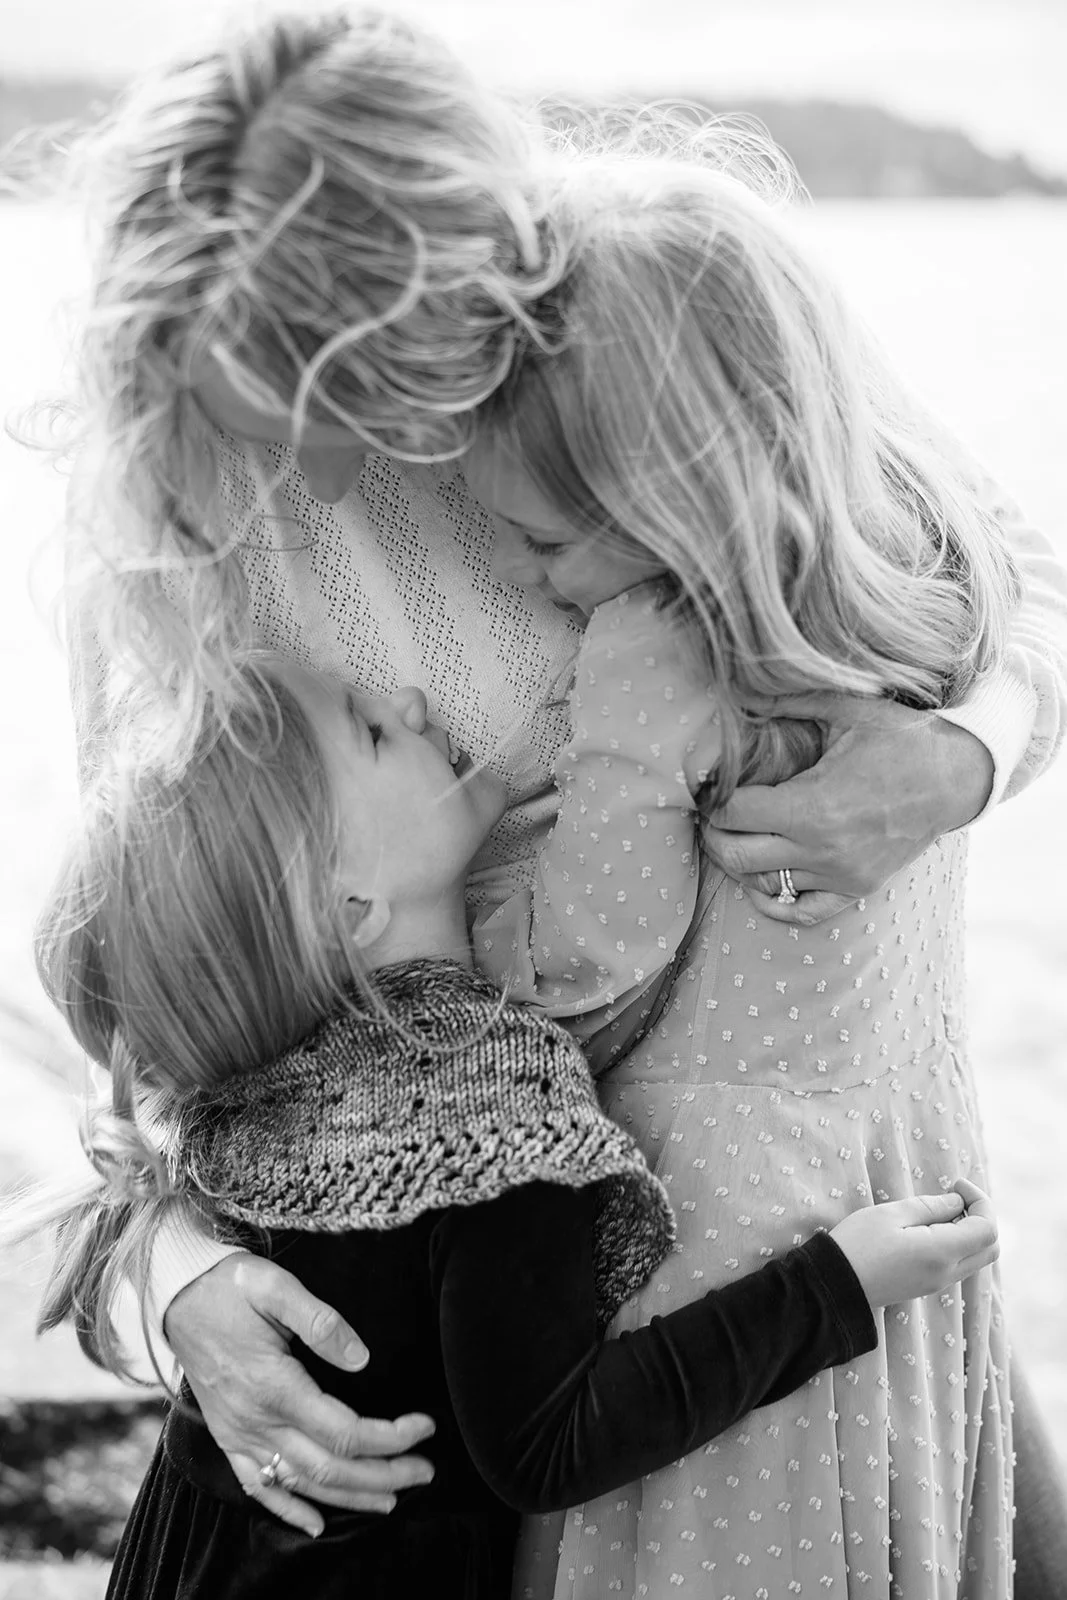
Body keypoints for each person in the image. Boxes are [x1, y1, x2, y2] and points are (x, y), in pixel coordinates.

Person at [51, 3, 1067, 1588]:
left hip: (815, 1171)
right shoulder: (193, 533)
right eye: (252, 414)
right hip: (546, 1289)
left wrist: (962, 755)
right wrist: (171, 1274)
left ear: (452, 299)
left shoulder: (627, 348)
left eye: (339, 400)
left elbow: (995, 564)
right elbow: (143, 993)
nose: (301, 471)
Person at [13, 655, 999, 1600]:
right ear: (352, 904)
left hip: (186, 1547)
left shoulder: (259, 1072)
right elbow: (548, 1443)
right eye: (367, 729)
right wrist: (833, 1283)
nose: (404, 697)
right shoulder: (484, 1099)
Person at [459, 146, 1030, 1596]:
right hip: (898, 1169)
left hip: (714, 1240)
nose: (534, 581)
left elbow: (597, 948)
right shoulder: (932, 573)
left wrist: (478, 901)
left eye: (541, 539)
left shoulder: (651, 647)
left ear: (664, 496)